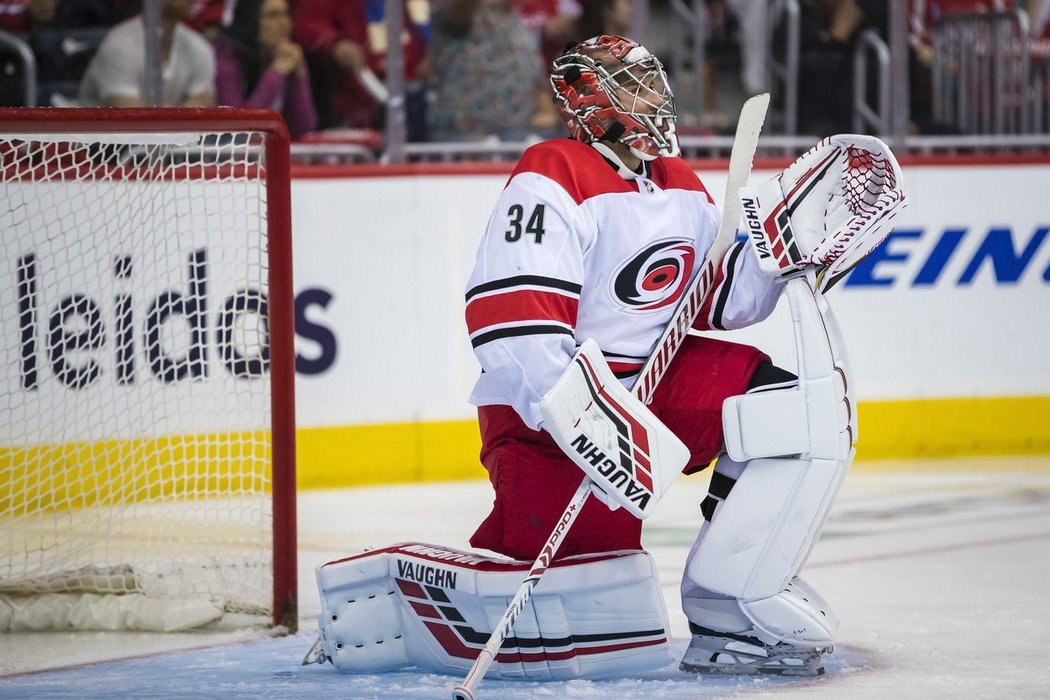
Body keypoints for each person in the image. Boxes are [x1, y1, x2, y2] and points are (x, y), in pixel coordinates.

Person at [307, 33, 905, 681]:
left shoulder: (677, 180)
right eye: (639, 83)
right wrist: (585, 420)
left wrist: (779, 258)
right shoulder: (553, 171)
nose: (659, 95)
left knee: (791, 412)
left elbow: (716, 303)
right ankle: (401, 604)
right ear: (594, 99)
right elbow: (511, 319)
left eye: (655, 80)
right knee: (590, 614)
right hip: (549, 416)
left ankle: (732, 613)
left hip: (655, 391)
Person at [78, 0, 215, 107]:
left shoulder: (198, 46)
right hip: (101, 141)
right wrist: (187, 110)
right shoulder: (119, 45)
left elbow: (204, 106)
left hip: (175, 142)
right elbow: (132, 122)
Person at [214, 0, 318, 138]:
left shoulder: (286, 55)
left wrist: (298, 77)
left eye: (286, 14)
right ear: (250, 19)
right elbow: (240, 129)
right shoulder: (226, 60)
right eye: (273, 15)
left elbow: (303, 128)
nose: (283, 23)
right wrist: (276, 73)